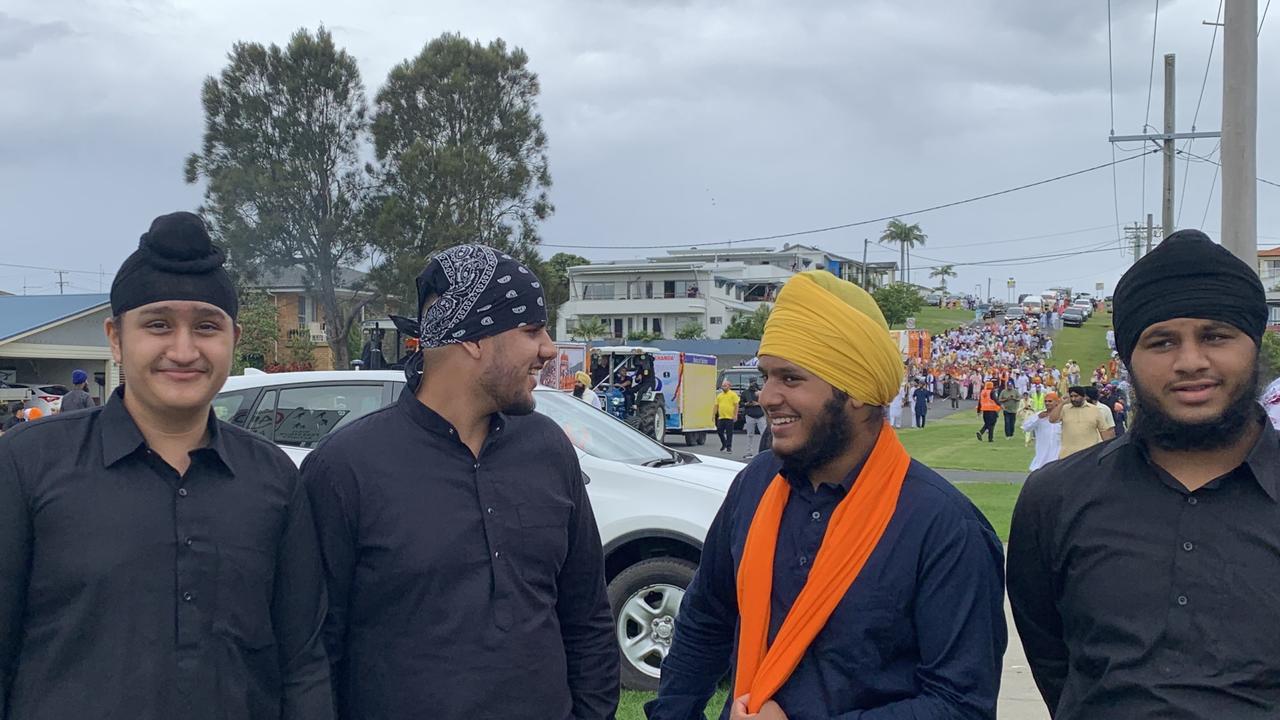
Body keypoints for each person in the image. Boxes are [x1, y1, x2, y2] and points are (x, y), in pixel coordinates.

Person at [0, 212, 332, 720]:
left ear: (233, 339)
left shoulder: (273, 479)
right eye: (157, 325)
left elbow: (302, 664)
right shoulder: (28, 464)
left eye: (206, 327)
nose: (183, 350)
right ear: (115, 337)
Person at [646, 270, 1005, 720]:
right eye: (766, 376)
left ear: (856, 392)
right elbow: (706, 618)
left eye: (790, 379)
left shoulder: (945, 528)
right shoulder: (756, 484)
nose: (766, 396)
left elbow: (961, 705)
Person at [300, 245, 617, 720]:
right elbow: (316, 651)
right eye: (531, 330)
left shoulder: (549, 450)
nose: (549, 349)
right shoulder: (346, 468)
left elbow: (587, 615)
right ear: (473, 340)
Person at [1009, 230, 1280, 719]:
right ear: (1128, 360)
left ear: (1254, 344)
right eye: (1162, 341)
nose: (1191, 362)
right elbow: (1054, 661)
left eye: (1216, 336)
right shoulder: (1054, 497)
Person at [1049, 386, 1114, 459]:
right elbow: (1052, 420)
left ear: (1084, 396)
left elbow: (1104, 432)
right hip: (1067, 456)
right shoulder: (1064, 409)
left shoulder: (1095, 410)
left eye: (1076, 396)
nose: (1073, 399)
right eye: (1071, 396)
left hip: (1089, 455)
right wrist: (1061, 403)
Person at [1021, 391, 1062, 471]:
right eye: (1046, 401)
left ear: (1057, 402)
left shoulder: (1062, 415)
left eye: (1050, 401)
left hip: (1057, 454)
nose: (1047, 403)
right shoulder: (1039, 415)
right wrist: (1038, 418)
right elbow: (1026, 427)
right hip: (1042, 454)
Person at [741, 379, 767, 456]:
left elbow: (766, 401)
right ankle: (749, 451)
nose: (752, 384)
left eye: (754, 382)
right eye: (751, 382)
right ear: (749, 383)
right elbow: (741, 403)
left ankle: (764, 450)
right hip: (750, 415)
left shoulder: (761, 392)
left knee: (763, 434)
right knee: (750, 434)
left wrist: (758, 403)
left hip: (761, 415)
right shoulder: (745, 392)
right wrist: (746, 404)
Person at [715, 380, 741, 453]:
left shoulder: (733, 395)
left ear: (729, 386)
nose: (723, 387)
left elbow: (736, 405)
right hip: (721, 417)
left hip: (730, 417)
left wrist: (735, 415)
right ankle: (724, 443)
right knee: (719, 431)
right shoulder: (719, 395)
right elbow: (716, 405)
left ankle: (729, 447)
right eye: (723, 386)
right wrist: (714, 415)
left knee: (729, 433)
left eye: (725, 386)